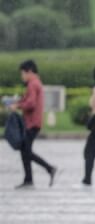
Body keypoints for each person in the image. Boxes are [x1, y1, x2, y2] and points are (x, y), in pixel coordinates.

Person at [10, 59, 57, 189]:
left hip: (32, 123)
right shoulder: (36, 83)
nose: (22, 77)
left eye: (23, 74)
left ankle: (49, 168)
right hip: (33, 122)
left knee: (26, 151)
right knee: (25, 151)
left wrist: (18, 106)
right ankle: (29, 179)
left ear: (29, 71)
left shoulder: (33, 84)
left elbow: (31, 104)